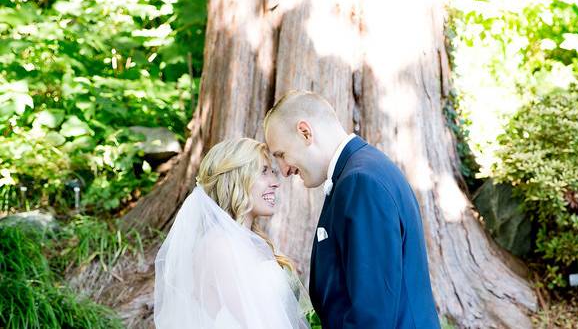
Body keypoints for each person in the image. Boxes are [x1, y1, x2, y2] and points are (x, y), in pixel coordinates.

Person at [264, 91, 440, 329]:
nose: (284, 170)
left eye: (281, 155)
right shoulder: (361, 170)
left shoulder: (361, 182)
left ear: (305, 133)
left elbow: (371, 315)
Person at [154, 138, 312, 329]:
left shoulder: (250, 241)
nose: (275, 183)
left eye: (272, 172)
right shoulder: (220, 246)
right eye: (263, 172)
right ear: (235, 178)